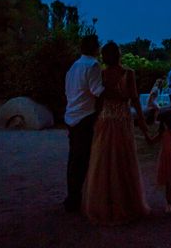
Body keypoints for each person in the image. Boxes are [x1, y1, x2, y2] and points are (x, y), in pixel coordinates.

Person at [81, 42, 150, 225]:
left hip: (105, 119)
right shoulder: (128, 73)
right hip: (121, 120)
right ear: (119, 54)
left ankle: (104, 203)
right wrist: (144, 126)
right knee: (123, 161)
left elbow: (97, 101)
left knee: (103, 162)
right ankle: (126, 203)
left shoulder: (102, 74)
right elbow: (135, 100)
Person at [63, 34, 105, 212]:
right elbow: (98, 91)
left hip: (72, 115)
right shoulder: (92, 66)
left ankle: (72, 195)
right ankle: (78, 198)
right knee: (84, 159)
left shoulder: (74, 67)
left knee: (74, 159)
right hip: (86, 116)